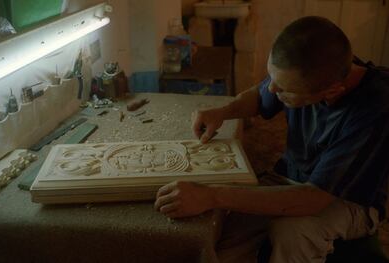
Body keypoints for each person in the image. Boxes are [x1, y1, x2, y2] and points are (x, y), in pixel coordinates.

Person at [154, 16, 389, 262]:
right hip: (291, 179)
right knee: (219, 236)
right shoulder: (300, 72)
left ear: (331, 92)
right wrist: (223, 111)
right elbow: (260, 96)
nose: (273, 90)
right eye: (272, 79)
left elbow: (313, 199)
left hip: (347, 199)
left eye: (284, 89)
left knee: (292, 232)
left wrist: (211, 195)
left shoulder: (375, 109)